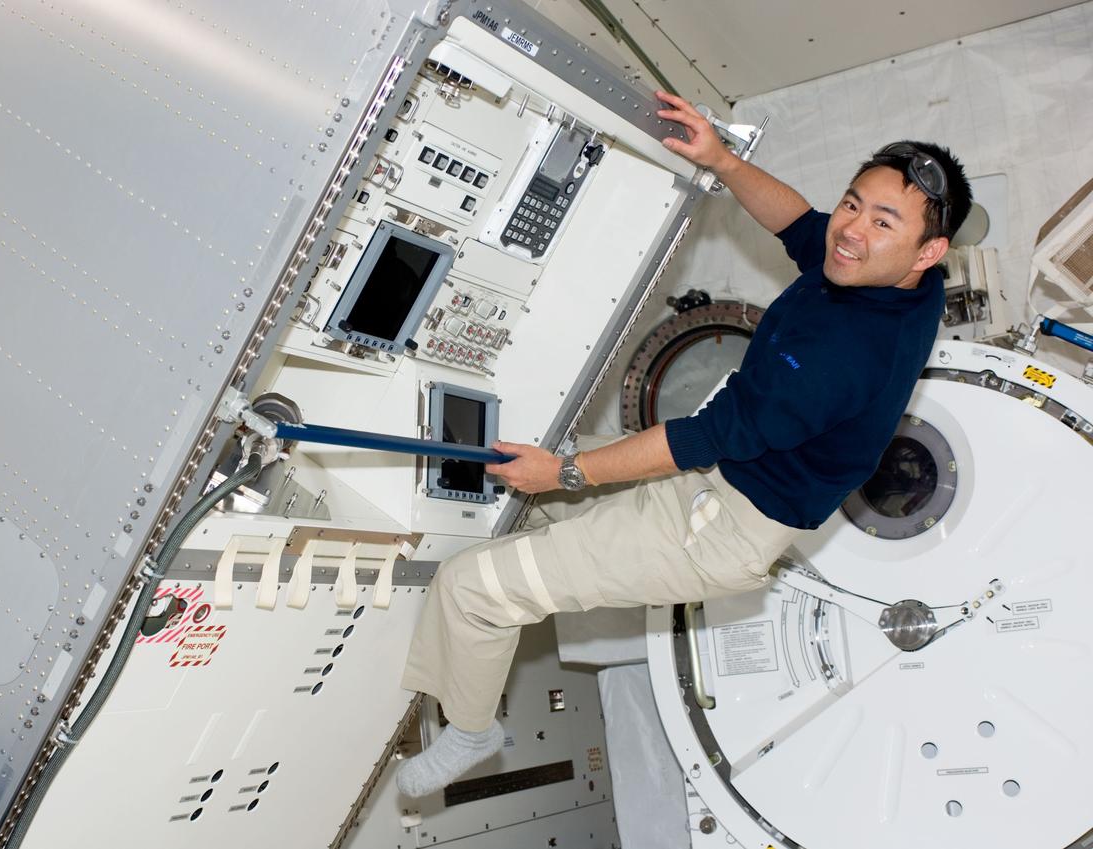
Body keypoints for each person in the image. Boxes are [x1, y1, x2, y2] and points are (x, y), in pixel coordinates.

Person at [395, 91, 972, 798]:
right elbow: (798, 222)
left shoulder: (850, 354)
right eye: (853, 204)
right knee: (515, 470)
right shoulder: (899, 277)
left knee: (475, 587)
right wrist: (722, 159)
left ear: (930, 249)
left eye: (883, 222)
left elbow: (704, 436)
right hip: (716, 475)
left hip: (720, 524)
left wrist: (570, 473)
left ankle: (472, 727)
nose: (850, 230)